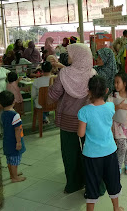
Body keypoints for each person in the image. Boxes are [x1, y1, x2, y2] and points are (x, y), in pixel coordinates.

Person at [49, 43, 95, 194]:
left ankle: (74, 183)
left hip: (68, 121)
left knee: (70, 153)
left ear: (77, 56)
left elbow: (53, 96)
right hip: (88, 121)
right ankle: (93, 185)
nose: (68, 57)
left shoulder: (64, 74)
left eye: (70, 54)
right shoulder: (92, 74)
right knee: (91, 152)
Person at [78, 76, 123, 211]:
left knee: (92, 183)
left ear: (88, 92)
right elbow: (108, 126)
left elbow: (80, 134)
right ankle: (116, 208)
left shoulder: (84, 111)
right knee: (113, 179)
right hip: (110, 151)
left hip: (91, 154)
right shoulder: (110, 107)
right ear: (106, 91)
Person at [107, 73, 127, 175]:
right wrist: (118, 106)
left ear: (124, 84)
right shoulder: (112, 96)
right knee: (122, 147)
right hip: (118, 125)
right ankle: (118, 165)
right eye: (114, 82)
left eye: (118, 82)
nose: (115, 85)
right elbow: (107, 110)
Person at [0, 90, 26, 183]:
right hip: (14, 141)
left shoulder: (3, 114)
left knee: (10, 160)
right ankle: (15, 178)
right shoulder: (15, 115)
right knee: (15, 160)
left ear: (0, 104)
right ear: (14, 101)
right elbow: (17, 130)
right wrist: (18, 142)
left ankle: (12, 174)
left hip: (7, 141)